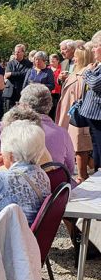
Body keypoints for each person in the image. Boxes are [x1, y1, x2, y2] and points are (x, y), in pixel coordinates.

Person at [56, 47, 94, 182]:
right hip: (68, 112)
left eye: (76, 56)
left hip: (77, 115)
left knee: (79, 145)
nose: (73, 59)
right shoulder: (76, 72)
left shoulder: (85, 73)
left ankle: (82, 176)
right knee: (73, 144)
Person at [80, 30, 101, 169]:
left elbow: (95, 84)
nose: (93, 50)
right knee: (95, 146)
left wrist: (87, 71)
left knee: (99, 145)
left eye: (95, 46)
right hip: (92, 115)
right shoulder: (98, 64)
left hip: (98, 114)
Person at [3, 44, 33, 112]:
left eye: (18, 52)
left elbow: (25, 75)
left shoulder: (29, 64)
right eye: (15, 52)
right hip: (9, 93)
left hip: (21, 93)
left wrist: (11, 74)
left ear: (23, 53)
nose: (16, 53)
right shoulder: (10, 63)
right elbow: (7, 76)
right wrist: (15, 75)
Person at [49, 53, 63, 119]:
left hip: (58, 93)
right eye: (50, 61)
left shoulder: (62, 68)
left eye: (53, 61)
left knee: (56, 111)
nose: (51, 63)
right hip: (49, 92)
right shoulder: (47, 68)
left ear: (58, 61)